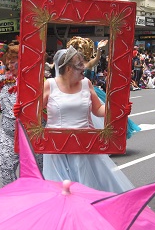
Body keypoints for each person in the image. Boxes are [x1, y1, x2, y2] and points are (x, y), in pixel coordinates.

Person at [41, 46, 133, 193]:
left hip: (84, 145)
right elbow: (33, 112)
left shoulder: (86, 83)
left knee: (87, 189)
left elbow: (97, 110)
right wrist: (22, 112)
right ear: (69, 69)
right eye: (80, 66)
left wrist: (118, 110)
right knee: (61, 191)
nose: (84, 68)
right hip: (57, 149)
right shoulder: (49, 85)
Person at [0, 41, 43, 186]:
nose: (10, 65)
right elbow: (0, 106)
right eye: (8, 62)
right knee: (5, 170)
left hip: (31, 135)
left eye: (13, 62)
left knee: (38, 172)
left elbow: (45, 107)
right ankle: (13, 199)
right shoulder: (4, 81)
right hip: (8, 134)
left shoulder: (36, 81)